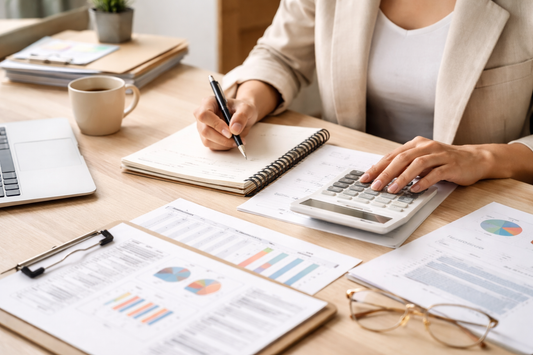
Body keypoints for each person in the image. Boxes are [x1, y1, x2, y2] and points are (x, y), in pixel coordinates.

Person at [194, 0, 533, 194]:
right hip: (355, 187)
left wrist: (485, 158)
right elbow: (279, 55)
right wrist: (248, 101)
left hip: (480, 200)